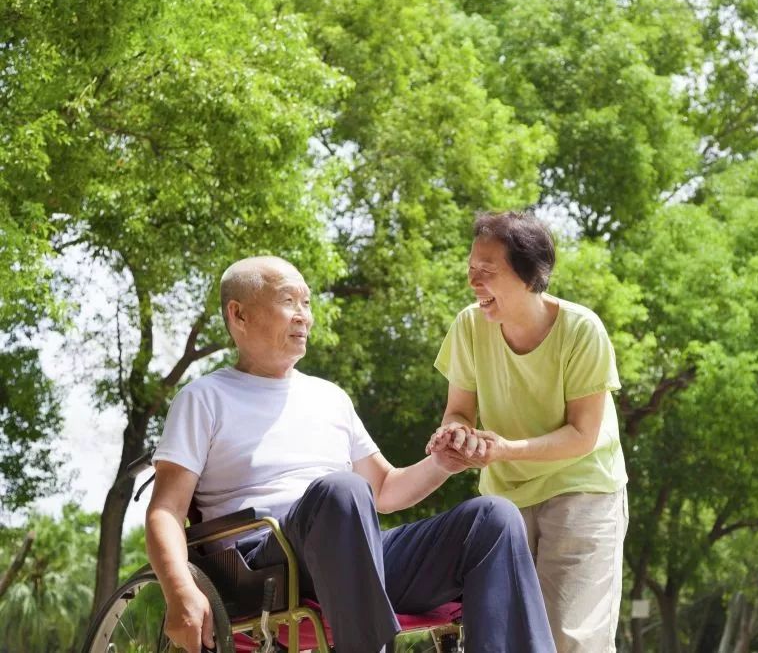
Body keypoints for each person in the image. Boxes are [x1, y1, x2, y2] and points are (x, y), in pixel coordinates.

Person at [146, 255, 555, 653]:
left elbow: (384, 490)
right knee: (341, 491)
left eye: (307, 303)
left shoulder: (330, 397)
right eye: (289, 301)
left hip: (358, 555)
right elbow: (165, 510)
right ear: (239, 315)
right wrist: (180, 588)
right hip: (264, 566)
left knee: (493, 519)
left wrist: (442, 463)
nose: (304, 316)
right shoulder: (204, 398)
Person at [428, 211, 629, 653]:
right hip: (505, 500)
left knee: (571, 638)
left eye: (487, 272)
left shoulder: (581, 331)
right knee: (505, 637)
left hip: (582, 487)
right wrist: (456, 436)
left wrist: (503, 450)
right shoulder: (468, 325)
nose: (473, 283)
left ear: (530, 275)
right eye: (471, 270)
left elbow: (582, 435)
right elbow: (458, 411)